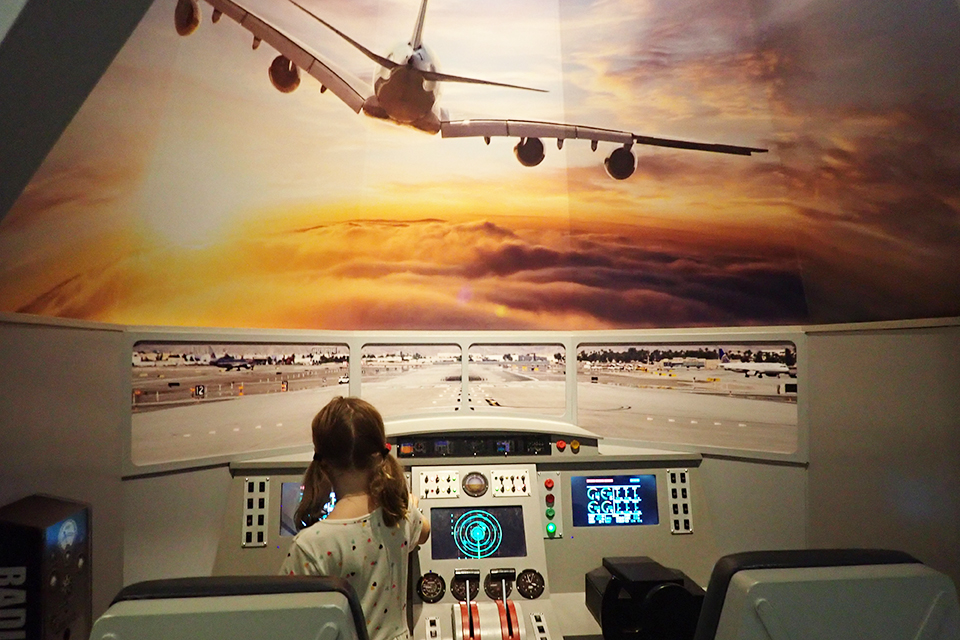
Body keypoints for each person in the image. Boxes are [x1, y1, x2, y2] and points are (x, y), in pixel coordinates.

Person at [281, 396, 430, 640]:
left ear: (324, 464)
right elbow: (424, 531)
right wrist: (409, 505)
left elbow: (289, 621)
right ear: (379, 456)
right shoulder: (399, 516)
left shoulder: (310, 546)